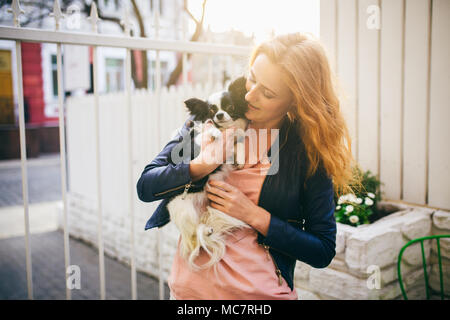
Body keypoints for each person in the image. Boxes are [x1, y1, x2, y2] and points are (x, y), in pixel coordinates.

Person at [136, 33, 360, 300]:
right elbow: (146, 186)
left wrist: (254, 215)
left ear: (296, 99)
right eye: (252, 78)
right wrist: (201, 165)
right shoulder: (206, 120)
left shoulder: (307, 153)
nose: (250, 94)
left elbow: (322, 250)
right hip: (188, 296)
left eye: (267, 92)